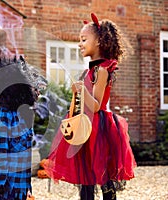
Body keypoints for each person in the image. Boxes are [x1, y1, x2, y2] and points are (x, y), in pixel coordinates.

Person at [44, 13, 137, 200]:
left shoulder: (102, 70)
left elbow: (95, 105)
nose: (80, 44)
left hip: (98, 128)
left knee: (101, 173)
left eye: (84, 39)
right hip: (84, 125)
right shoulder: (90, 70)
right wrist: (77, 94)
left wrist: (82, 91)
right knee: (85, 173)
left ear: (99, 42)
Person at [0, 57, 44, 200]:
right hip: (12, 184)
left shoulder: (20, 114)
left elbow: (2, 151)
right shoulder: (14, 115)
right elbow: (2, 152)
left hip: (20, 183)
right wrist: (0, 181)